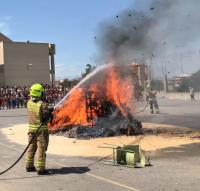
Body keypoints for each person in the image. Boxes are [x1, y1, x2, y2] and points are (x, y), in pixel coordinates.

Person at [25, 83, 53, 175]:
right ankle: (41, 169)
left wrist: (47, 112)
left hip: (31, 131)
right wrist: (49, 113)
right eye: (42, 92)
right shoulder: (42, 104)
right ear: (39, 93)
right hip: (41, 132)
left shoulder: (29, 102)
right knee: (41, 149)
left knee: (31, 148)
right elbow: (46, 119)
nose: (43, 94)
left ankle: (29, 166)